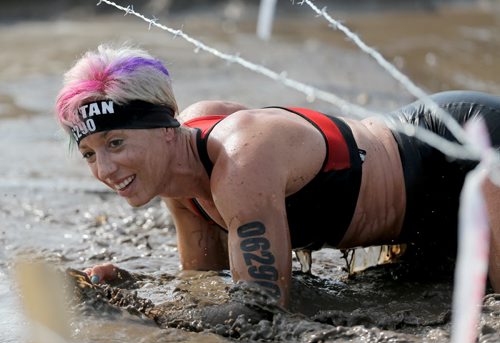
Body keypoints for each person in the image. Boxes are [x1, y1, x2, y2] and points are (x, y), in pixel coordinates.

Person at [55, 44, 500, 307]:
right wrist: (128, 286)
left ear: (166, 128)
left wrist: (129, 310)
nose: (105, 170)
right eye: (89, 153)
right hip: (427, 204)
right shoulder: (178, 181)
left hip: (466, 145)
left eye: (116, 144)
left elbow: (263, 311)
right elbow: (205, 287)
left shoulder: (239, 162)